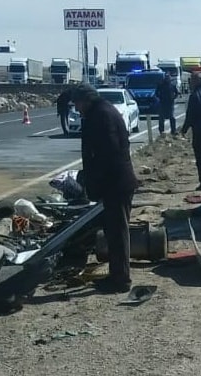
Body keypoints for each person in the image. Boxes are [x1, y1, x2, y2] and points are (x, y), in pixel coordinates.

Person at [72, 84, 138, 293]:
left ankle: (121, 280)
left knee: (118, 232)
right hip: (114, 181)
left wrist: (96, 179)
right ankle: (117, 274)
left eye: (77, 103)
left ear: (86, 100)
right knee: (113, 231)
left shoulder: (101, 115)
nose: (77, 108)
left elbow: (107, 152)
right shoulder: (103, 111)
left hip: (115, 182)